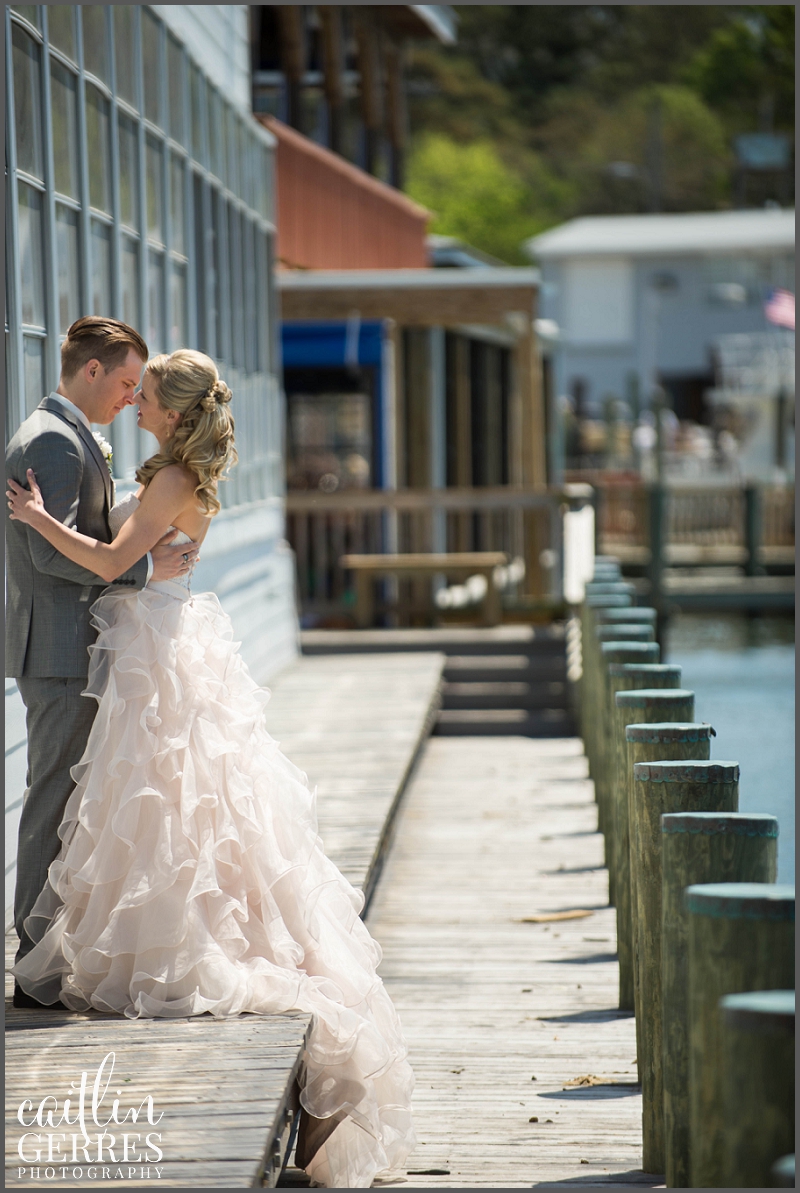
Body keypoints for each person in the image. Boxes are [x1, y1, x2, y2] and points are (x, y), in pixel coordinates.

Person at [8, 349, 415, 1189]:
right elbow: (136, 559)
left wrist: (36, 517)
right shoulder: (168, 471)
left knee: (166, 802)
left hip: (154, 652)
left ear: (176, 409)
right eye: (134, 388)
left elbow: (109, 565)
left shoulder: (166, 481)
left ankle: (205, 954)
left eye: (147, 394)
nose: (137, 401)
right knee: (174, 809)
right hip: (156, 641)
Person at [5, 317, 198, 991]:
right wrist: (145, 572)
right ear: (91, 371)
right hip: (58, 649)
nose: (128, 396)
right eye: (123, 382)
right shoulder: (53, 445)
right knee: (55, 800)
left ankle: (50, 952)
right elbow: (43, 555)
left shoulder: (76, 438)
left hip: (77, 642)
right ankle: (34, 967)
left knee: (74, 801)